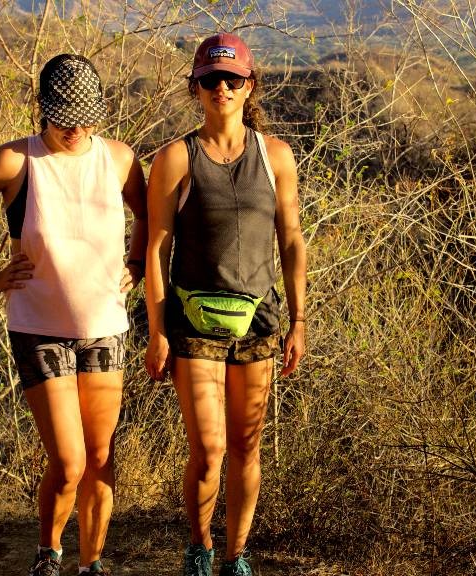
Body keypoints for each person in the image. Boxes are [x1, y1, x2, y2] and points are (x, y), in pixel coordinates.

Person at [0, 54, 146, 576]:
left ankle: (90, 563)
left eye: (86, 117)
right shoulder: (16, 161)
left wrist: (137, 263)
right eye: (64, 117)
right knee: (70, 461)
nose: (77, 128)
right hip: (38, 327)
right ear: (43, 112)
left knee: (100, 456)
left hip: (104, 326)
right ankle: (49, 551)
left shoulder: (118, 160)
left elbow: (150, 214)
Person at [144, 32, 307, 576]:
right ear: (196, 87)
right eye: (211, 79)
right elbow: (156, 248)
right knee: (209, 450)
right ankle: (200, 547)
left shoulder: (275, 156)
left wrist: (300, 320)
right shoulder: (175, 157)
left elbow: (291, 240)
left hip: (259, 319)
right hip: (194, 322)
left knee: (246, 446)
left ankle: (236, 556)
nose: (221, 88)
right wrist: (157, 328)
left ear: (249, 85)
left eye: (232, 79)